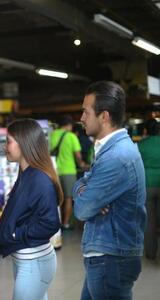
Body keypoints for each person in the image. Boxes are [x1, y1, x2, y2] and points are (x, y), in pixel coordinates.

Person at [73, 81, 146, 300]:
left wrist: (85, 194)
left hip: (111, 258)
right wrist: (83, 188)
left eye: (86, 112)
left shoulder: (116, 157)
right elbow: (84, 182)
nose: (82, 117)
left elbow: (83, 209)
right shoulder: (111, 150)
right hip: (107, 254)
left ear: (104, 116)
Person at [0, 118, 62, 300]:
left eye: (9, 141)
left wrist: (17, 234)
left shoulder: (38, 179)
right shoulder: (27, 174)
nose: (4, 147)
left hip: (35, 262)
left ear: (24, 143)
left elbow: (50, 223)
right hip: (27, 260)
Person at [50, 115, 84, 229]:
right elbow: (78, 156)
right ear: (69, 125)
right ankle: (65, 223)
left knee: (56, 199)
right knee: (69, 198)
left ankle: (55, 224)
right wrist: (81, 164)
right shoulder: (71, 136)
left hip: (53, 171)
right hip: (69, 171)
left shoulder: (51, 135)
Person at [138, 118, 160, 260]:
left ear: (146, 130)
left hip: (147, 185)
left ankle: (151, 254)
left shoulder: (141, 145)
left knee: (149, 221)